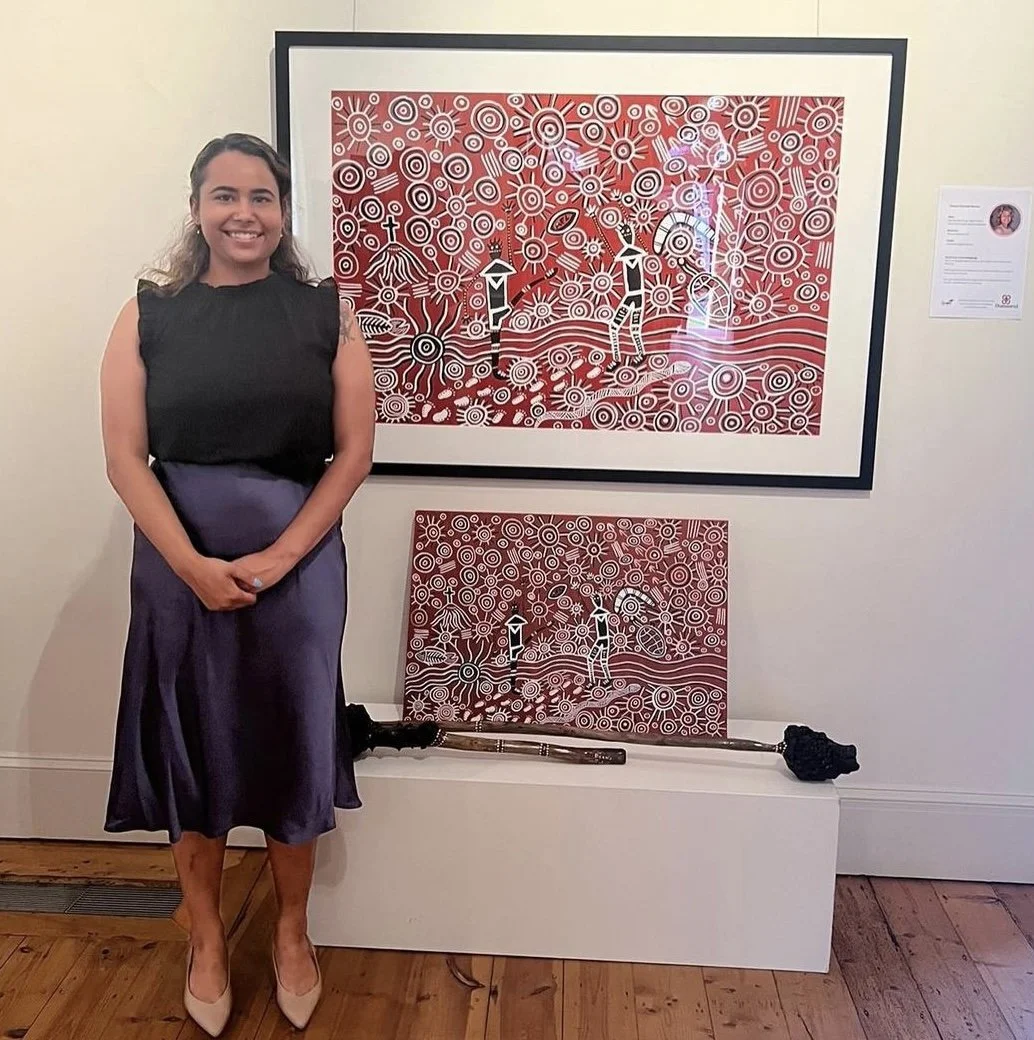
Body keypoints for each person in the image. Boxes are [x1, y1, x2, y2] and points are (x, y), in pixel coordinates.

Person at [99, 132, 376, 1036]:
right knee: (196, 746)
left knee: (289, 745)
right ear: (196, 208)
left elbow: (354, 453)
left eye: (261, 197)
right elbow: (124, 458)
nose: (243, 213)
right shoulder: (147, 315)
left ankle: (293, 932)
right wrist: (190, 565)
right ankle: (208, 939)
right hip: (179, 567)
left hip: (297, 571)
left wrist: (283, 556)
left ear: (283, 212)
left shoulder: (325, 313)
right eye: (225, 196)